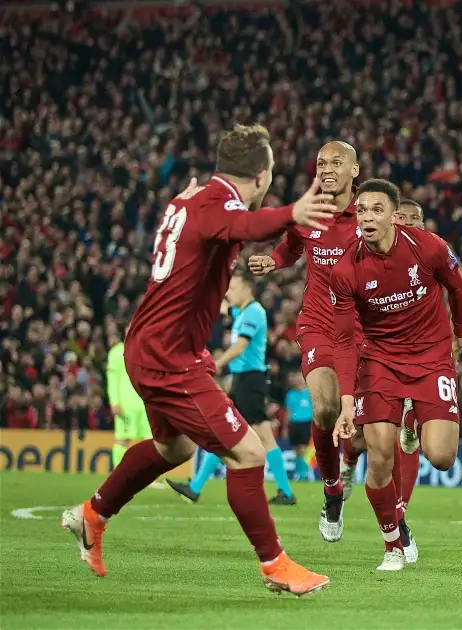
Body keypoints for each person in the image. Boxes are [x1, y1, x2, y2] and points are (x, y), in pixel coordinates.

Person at [61, 124, 336, 595]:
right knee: (248, 453)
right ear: (263, 174)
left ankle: (91, 515)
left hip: (153, 345)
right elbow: (245, 226)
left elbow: (224, 224)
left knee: (177, 449)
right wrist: (293, 212)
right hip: (170, 356)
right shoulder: (217, 205)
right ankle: (274, 564)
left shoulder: (188, 200)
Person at [328, 179, 462, 571]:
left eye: (376, 209)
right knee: (380, 458)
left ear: (394, 215)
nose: (368, 217)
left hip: (432, 357)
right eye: (362, 210)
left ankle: (415, 421)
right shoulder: (346, 270)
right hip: (380, 362)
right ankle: (392, 543)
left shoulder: (430, 247)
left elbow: (458, 289)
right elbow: (341, 341)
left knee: (441, 456)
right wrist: (344, 402)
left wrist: (461, 331)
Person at [249, 141, 360, 542]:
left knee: (364, 432)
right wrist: (273, 261)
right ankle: (332, 491)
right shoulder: (307, 210)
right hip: (319, 324)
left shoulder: (370, 214)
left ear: (355, 171)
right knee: (326, 407)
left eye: (336, 162)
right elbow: (292, 247)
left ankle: (385, 507)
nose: (327, 168)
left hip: (365, 330)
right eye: (321, 163)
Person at [166, 271, 295, 505]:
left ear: (247, 289)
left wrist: (215, 364)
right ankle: (195, 487)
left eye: (233, 288)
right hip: (242, 381)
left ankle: (285, 491)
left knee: (258, 436)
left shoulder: (254, 312)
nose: (228, 293)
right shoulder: (241, 312)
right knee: (224, 433)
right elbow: (221, 306)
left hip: (250, 381)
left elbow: (240, 347)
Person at [340, 197, 427, 540]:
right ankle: (348, 462)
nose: (408, 224)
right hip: (372, 351)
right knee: (363, 436)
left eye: (414, 219)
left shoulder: (429, 254)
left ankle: (400, 513)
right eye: (402, 218)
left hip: (418, 358)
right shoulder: (367, 255)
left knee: (406, 440)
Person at [106, 332, 151, 467]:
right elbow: (112, 379)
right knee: (123, 439)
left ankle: (147, 477)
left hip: (146, 404)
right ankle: (117, 476)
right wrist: (114, 402)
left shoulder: (149, 349)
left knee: (151, 442)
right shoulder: (117, 352)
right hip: (126, 405)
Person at [284, 373, 314, 481]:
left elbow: (314, 410)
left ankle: (303, 474)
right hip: (294, 424)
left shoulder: (309, 393)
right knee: (297, 450)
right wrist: (285, 427)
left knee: (303, 449)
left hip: (306, 423)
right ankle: (299, 473)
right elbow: (288, 412)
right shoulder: (290, 394)